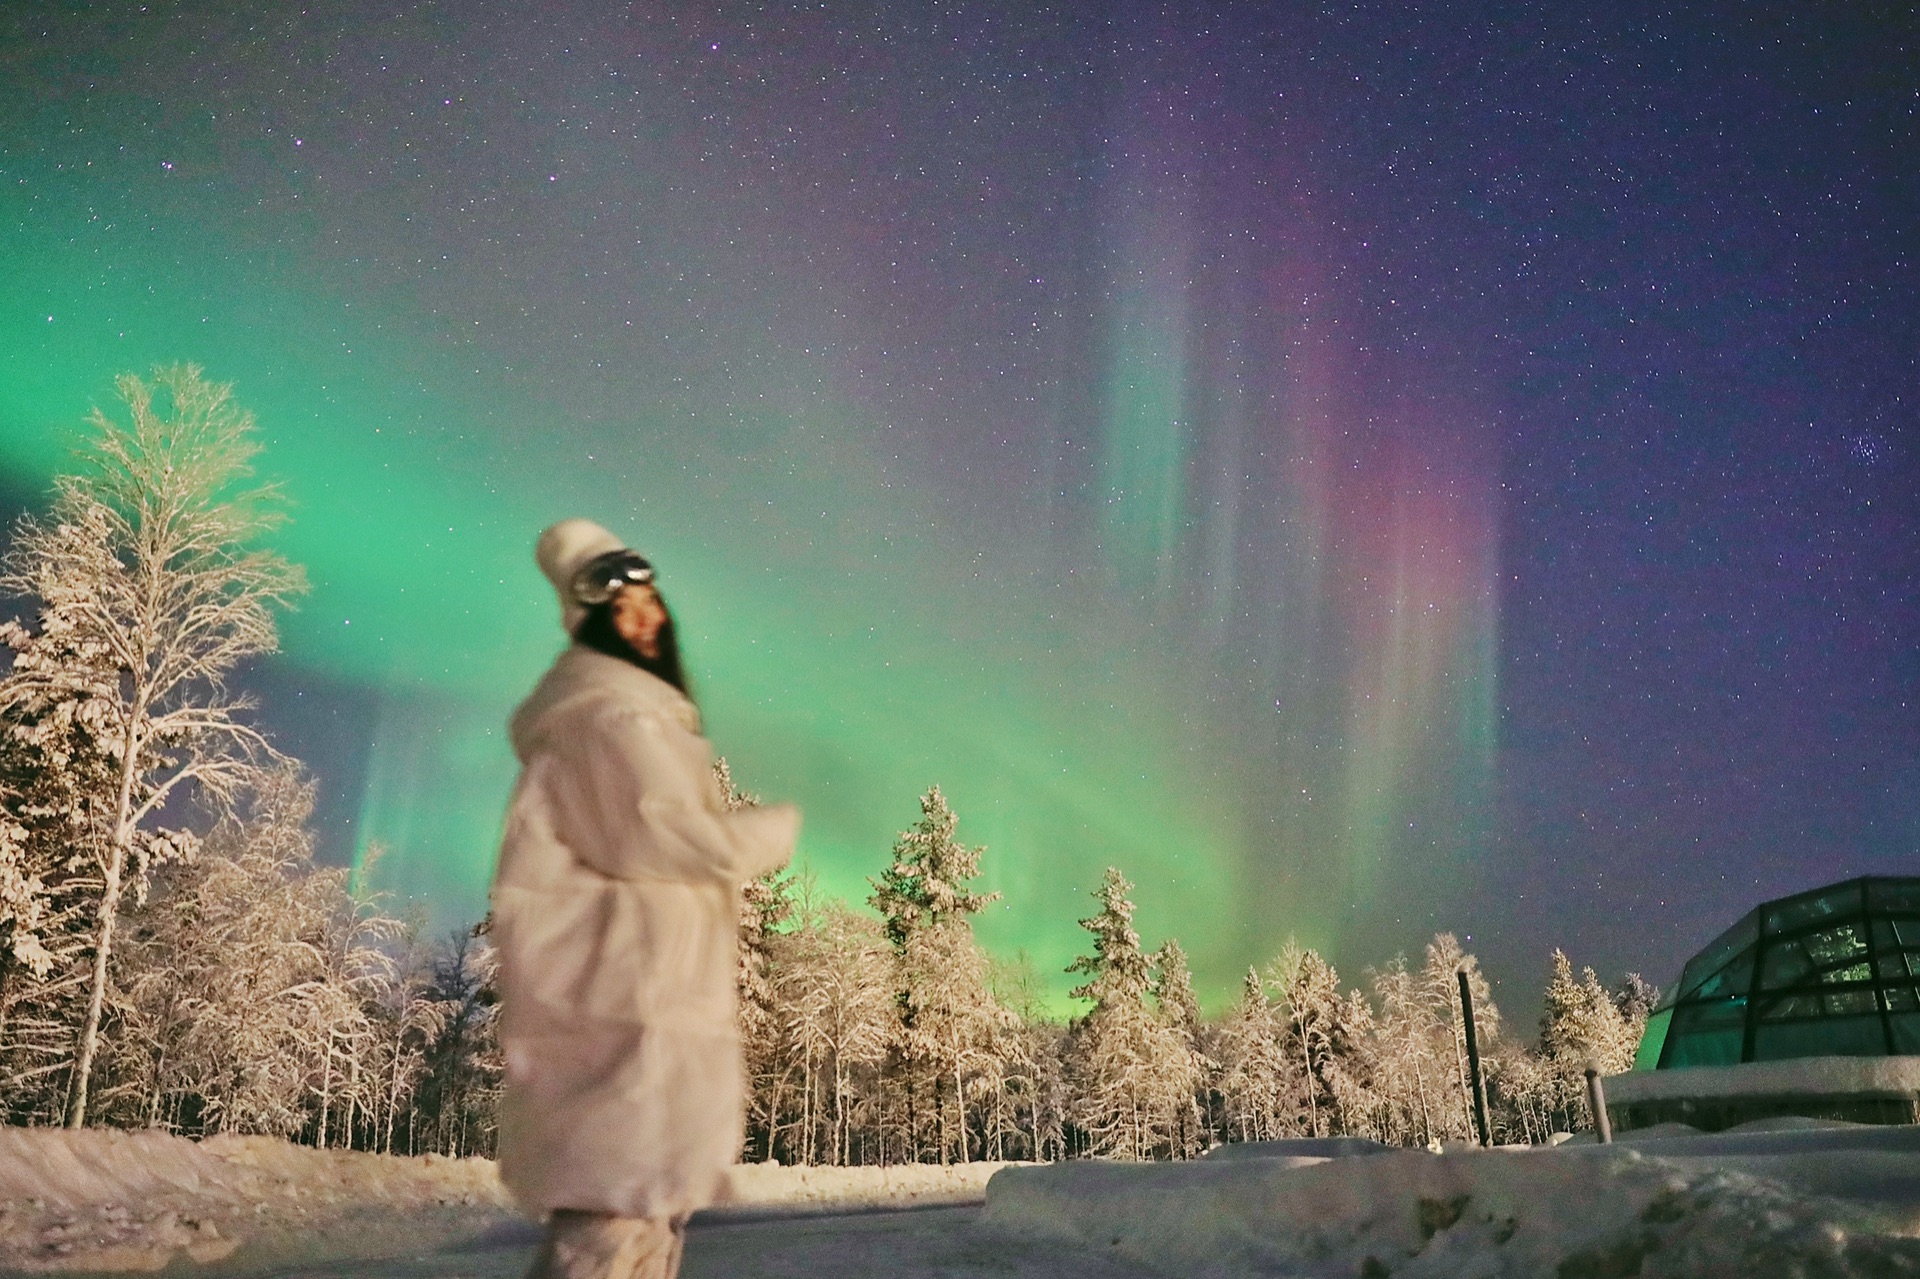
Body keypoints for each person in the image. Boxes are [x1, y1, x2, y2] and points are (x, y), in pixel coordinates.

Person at [490, 519, 799, 1279]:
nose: (649, 620)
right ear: (591, 621)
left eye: (653, 604)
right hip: (627, 1021)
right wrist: (769, 832)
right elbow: (657, 832)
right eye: (626, 611)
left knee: (640, 1230)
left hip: (635, 1011)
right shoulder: (612, 713)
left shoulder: (617, 711)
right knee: (610, 1235)